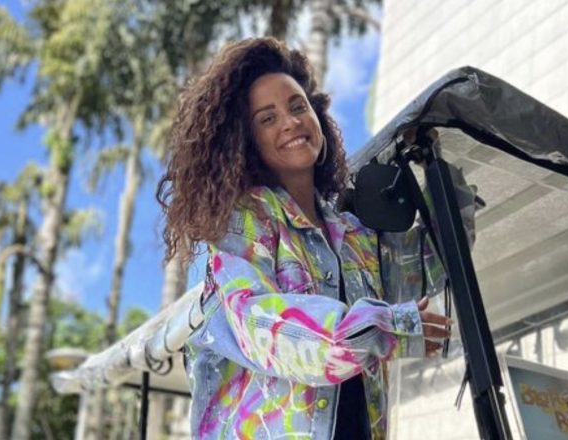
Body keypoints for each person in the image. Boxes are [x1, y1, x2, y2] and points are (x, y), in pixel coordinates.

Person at [157, 37, 451, 440]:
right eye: (268, 118)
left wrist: (438, 165)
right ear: (246, 140)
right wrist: (384, 329)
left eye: (298, 107)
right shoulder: (245, 221)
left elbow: (427, 268)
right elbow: (259, 325)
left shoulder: (353, 233)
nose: (291, 122)